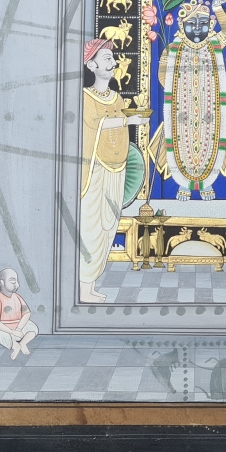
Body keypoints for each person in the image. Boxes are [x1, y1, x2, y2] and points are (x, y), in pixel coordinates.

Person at [79, 38, 145, 303]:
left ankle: (91, 284)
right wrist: (128, 120)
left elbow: (118, 121)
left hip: (116, 168)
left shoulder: (116, 98)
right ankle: (83, 286)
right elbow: (95, 124)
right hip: (95, 169)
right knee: (92, 226)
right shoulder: (85, 97)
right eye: (106, 58)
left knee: (108, 226)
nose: (113, 63)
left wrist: (131, 116)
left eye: (112, 58)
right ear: (91, 65)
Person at [156, 0, 226, 201]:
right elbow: (163, 76)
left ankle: (207, 182)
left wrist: (217, 8)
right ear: (182, 27)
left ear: (210, 26)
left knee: (211, 139)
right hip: (182, 106)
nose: (198, 29)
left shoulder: (214, 43)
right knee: (181, 142)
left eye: (203, 24)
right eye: (192, 24)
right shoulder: (172, 49)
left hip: (210, 105)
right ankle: (183, 184)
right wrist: (180, 89)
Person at [0, 267, 39, 360]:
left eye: (17, 281)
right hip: (5, 329)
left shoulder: (17, 296)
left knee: (33, 328)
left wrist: (19, 328)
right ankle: (15, 346)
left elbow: (27, 313)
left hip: (19, 327)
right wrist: (12, 332)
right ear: (2, 282)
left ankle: (23, 343)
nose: (17, 285)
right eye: (13, 281)